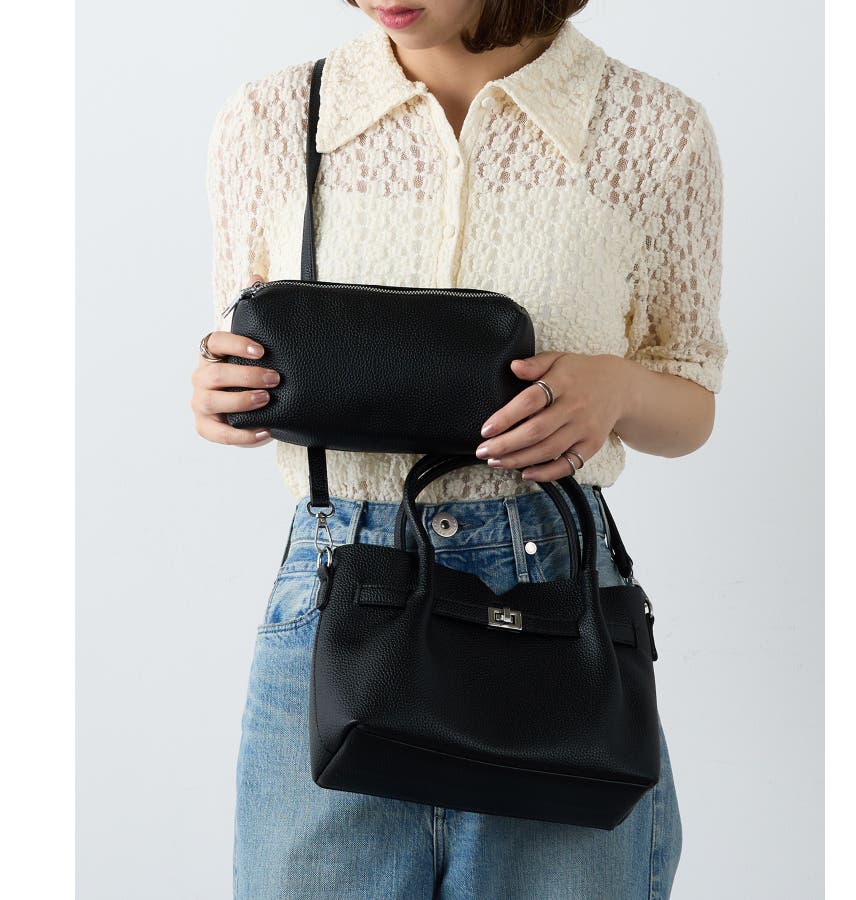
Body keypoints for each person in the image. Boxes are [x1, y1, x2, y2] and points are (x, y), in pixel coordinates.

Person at [191, 1, 727, 896]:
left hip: (552, 591)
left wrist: (621, 388)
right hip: (334, 585)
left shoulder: (651, 128)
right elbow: (244, 348)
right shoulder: (272, 118)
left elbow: (691, 397)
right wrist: (223, 391)